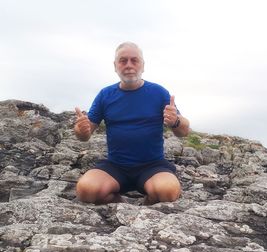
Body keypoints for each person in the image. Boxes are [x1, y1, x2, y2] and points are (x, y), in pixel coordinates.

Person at [74, 42, 190, 205]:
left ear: (143, 65)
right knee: (86, 191)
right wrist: (81, 130)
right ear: (115, 66)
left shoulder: (159, 92)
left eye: (134, 60)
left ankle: (148, 201)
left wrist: (175, 121)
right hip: (116, 166)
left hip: (152, 166)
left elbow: (184, 131)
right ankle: (119, 203)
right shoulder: (105, 95)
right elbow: (84, 135)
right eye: (123, 61)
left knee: (167, 192)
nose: (129, 65)